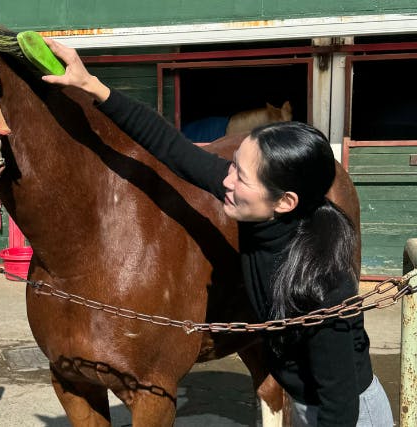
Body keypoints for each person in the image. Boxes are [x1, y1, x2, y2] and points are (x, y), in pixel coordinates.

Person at [41, 39, 393, 427]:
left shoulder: (323, 288)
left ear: (285, 201)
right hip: (306, 401)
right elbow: (171, 147)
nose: (224, 178)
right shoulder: (254, 209)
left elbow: (340, 406)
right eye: (232, 166)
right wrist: (94, 87)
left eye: (239, 175)